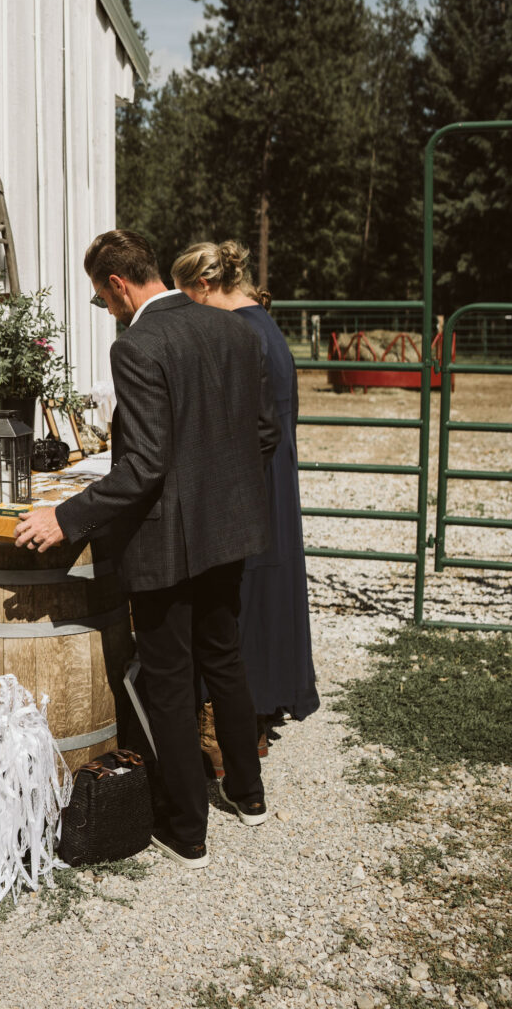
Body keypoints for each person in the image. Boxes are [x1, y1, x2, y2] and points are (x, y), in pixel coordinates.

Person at [14, 230, 280, 869]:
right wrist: (215, 490)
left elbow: (143, 467)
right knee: (225, 658)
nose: (108, 311)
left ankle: (188, 829)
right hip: (229, 530)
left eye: (103, 300)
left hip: (166, 541)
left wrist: (67, 516)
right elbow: (264, 433)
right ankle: (248, 794)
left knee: (167, 680)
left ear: (118, 286)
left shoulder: (137, 345)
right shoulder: (238, 330)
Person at [171, 240, 320, 744]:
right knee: (265, 582)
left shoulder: (241, 332)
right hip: (272, 472)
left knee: (248, 588)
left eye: (186, 297)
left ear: (205, 287)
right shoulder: (262, 325)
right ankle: (260, 700)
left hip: (258, 476)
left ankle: (239, 712)